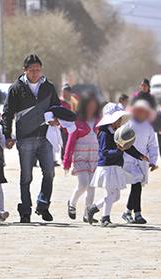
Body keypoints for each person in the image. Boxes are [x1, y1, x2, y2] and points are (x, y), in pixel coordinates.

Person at [2, 54, 61, 223]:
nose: (35, 73)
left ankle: (43, 205)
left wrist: (58, 119)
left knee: (49, 172)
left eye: (38, 70)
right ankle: (25, 210)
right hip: (25, 138)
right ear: (25, 70)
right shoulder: (15, 88)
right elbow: (7, 113)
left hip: (46, 136)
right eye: (32, 70)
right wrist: (7, 135)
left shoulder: (48, 87)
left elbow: (57, 107)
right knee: (26, 177)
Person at [86, 103, 148, 227]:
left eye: (121, 119)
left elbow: (128, 147)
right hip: (107, 167)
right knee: (111, 194)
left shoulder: (118, 132)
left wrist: (139, 155)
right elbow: (104, 152)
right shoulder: (104, 133)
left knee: (116, 196)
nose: (120, 122)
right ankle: (105, 219)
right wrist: (118, 150)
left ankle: (93, 208)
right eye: (118, 119)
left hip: (116, 166)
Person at [63, 92, 100, 222]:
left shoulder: (99, 121)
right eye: (89, 106)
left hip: (94, 157)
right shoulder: (77, 121)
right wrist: (66, 162)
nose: (91, 108)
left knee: (92, 186)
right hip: (80, 156)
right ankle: (72, 203)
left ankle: (87, 213)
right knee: (83, 184)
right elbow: (70, 141)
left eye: (94, 106)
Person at [122, 100, 158, 224]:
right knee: (136, 184)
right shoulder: (127, 124)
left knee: (137, 186)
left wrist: (153, 160)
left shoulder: (149, 127)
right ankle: (135, 213)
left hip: (143, 161)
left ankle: (129, 212)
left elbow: (152, 145)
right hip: (128, 159)